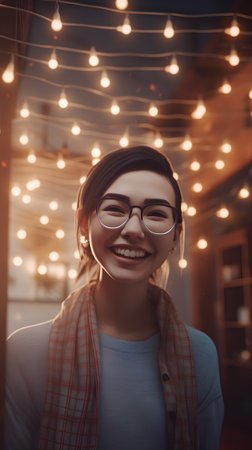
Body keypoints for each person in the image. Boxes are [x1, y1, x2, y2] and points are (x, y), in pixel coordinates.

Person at [5, 145, 224, 450]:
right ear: (85, 223)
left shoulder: (201, 355)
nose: (133, 229)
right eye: (115, 209)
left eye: (157, 214)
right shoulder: (24, 352)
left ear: (175, 235)